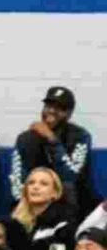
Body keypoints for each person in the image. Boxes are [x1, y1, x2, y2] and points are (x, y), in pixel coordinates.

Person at [10, 86, 98, 216]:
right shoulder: (25, 139)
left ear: (69, 113)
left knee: (69, 188)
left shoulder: (81, 136)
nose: (51, 111)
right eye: (48, 106)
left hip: (71, 202)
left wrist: (52, 139)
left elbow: (71, 176)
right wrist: (26, 202)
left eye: (59, 108)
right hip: (33, 203)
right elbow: (17, 181)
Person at [11, 167, 78, 250]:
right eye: (31, 183)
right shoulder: (14, 221)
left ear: (55, 193)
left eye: (43, 184)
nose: (35, 187)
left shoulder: (65, 222)